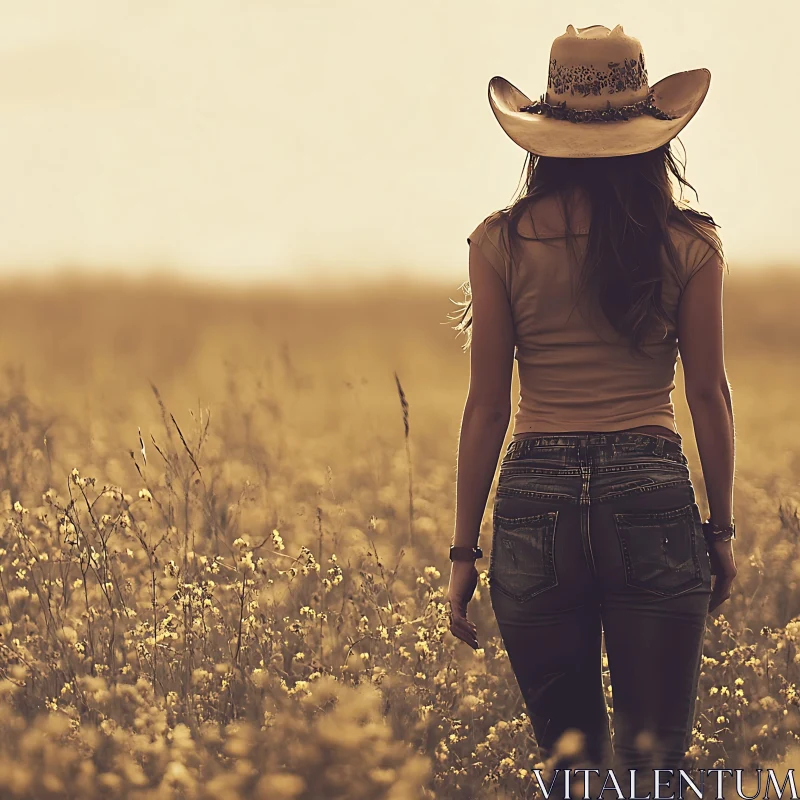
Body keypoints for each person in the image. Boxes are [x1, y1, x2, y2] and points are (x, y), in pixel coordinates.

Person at [446, 24, 737, 799]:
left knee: (571, 768)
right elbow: (707, 394)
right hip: (651, 489)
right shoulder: (691, 245)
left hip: (533, 500)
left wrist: (461, 555)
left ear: (546, 135)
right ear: (653, 134)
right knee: (656, 766)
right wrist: (722, 531)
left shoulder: (499, 241)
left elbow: (486, 407)